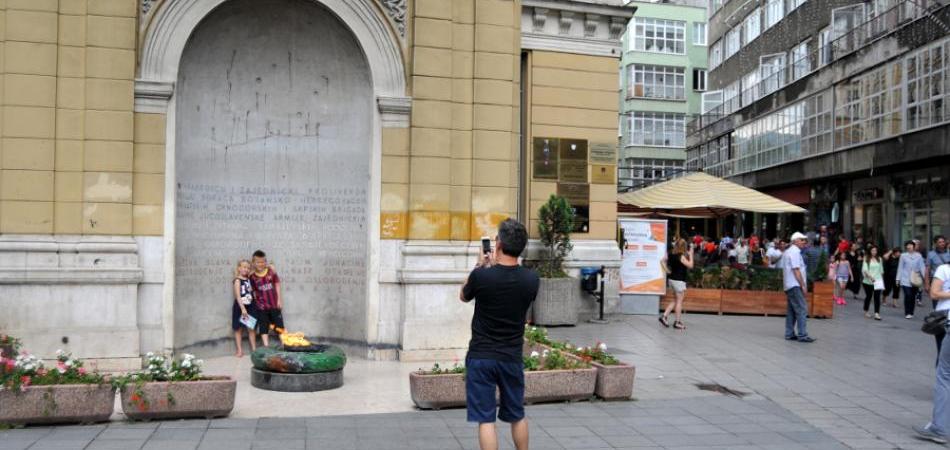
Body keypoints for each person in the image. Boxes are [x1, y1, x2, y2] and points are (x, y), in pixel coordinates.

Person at [459, 219, 538, 450]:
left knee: (486, 419)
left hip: (481, 356)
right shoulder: (531, 279)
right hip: (511, 356)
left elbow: (463, 295)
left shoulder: (482, 276)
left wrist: (479, 265)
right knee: (517, 414)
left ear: (498, 243)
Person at [912, 260, 950, 445]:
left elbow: (934, 292)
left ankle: (939, 428)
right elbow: (934, 292)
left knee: (944, 375)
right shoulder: (943, 269)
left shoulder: (945, 269)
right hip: (943, 320)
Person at [783, 232, 814, 343]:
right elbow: (796, 270)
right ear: (795, 241)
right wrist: (803, 285)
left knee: (791, 310)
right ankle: (802, 335)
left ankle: (789, 333)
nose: (804, 242)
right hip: (795, 285)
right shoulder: (795, 252)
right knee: (802, 309)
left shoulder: (789, 251)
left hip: (789, 285)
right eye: (802, 240)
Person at [250, 250, 283, 346]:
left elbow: (277, 283)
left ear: (266, 262)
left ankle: (285, 345)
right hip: (261, 307)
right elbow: (253, 291)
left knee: (279, 326)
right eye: (258, 262)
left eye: (263, 261)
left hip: (274, 305)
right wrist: (256, 303)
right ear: (254, 263)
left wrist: (279, 300)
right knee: (263, 328)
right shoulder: (252, 277)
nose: (261, 264)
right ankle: (266, 347)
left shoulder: (271, 271)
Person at [661, 239, 694, 330]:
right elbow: (691, 265)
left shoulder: (670, 253)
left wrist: (667, 271)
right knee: (679, 301)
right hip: (679, 281)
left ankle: (664, 316)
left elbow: (662, 261)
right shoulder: (681, 256)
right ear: (684, 247)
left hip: (671, 280)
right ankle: (677, 322)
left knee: (676, 300)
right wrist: (691, 255)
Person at [232, 260, 257, 357]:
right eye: (243, 267)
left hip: (250, 306)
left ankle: (254, 349)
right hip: (241, 307)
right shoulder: (237, 280)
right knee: (238, 329)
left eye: (247, 268)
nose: (246, 269)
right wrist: (243, 309)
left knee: (251, 328)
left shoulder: (249, 279)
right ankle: (239, 350)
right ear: (239, 268)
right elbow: (238, 296)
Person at [897, 240, 928, 319]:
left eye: (910, 245)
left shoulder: (919, 256)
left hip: (915, 279)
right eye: (907, 245)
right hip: (905, 279)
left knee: (913, 296)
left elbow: (922, 267)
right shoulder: (903, 256)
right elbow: (900, 268)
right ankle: (907, 312)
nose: (909, 246)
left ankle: (911, 312)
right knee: (908, 295)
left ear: (914, 247)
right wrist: (898, 279)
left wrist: (926, 279)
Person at [862, 245, 884, 320]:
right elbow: (865, 269)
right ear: (870, 251)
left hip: (877, 281)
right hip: (868, 281)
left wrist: (881, 280)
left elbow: (881, 270)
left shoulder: (879, 259)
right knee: (869, 296)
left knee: (877, 297)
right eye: (873, 250)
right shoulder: (866, 258)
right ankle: (866, 311)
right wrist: (871, 277)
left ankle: (877, 313)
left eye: (875, 250)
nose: (874, 252)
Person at [928, 236, 950, 309]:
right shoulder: (931, 254)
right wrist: (926, 283)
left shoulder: (949, 253)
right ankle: (937, 314)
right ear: (935, 244)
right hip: (936, 280)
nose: (942, 244)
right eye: (940, 242)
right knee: (936, 299)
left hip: (948, 280)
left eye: (943, 242)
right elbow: (927, 269)